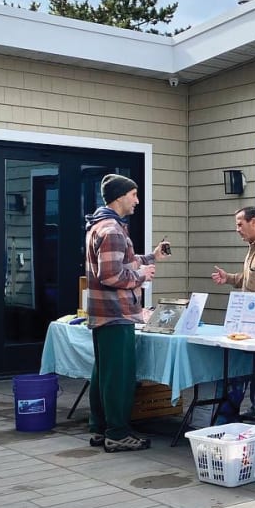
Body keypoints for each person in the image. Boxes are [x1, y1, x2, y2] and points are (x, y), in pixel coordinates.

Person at [85, 174, 169, 452]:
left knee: (104, 374)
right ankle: (118, 433)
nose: (137, 200)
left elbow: (124, 262)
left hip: (103, 313)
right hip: (116, 312)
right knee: (119, 376)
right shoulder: (112, 230)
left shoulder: (101, 226)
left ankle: (100, 428)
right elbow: (110, 275)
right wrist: (142, 276)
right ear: (120, 196)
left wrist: (152, 258)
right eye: (134, 195)